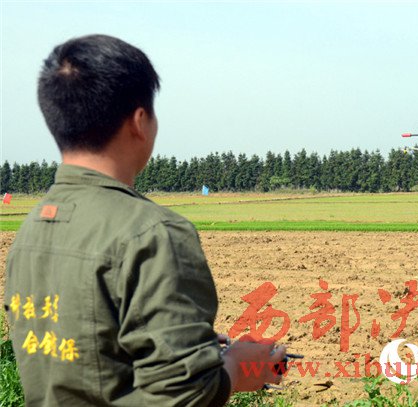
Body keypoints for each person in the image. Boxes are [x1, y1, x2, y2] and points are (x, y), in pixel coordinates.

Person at [3, 34, 285, 406]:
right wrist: (237, 366)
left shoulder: (32, 228)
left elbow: (87, 353)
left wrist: (187, 345)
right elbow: (184, 395)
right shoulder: (153, 234)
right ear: (139, 121)